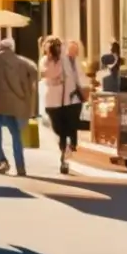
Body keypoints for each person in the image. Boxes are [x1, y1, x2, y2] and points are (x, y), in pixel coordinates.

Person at [0, 37, 37, 176]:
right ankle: (20, 166)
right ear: (12, 47)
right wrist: (26, 88)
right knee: (16, 136)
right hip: (14, 106)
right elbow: (34, 72)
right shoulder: (22, 61)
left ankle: (2, 161)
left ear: (0, 47)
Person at [41, 36, 87, 175]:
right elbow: (47, 73)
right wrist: (52, 59)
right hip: (53, 102)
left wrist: (80, 90)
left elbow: (74, 76)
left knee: (68, 129)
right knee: (58, 129)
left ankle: (65, 157)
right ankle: (65, 150)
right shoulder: (45, 61)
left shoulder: (66, 60)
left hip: (69, 100)